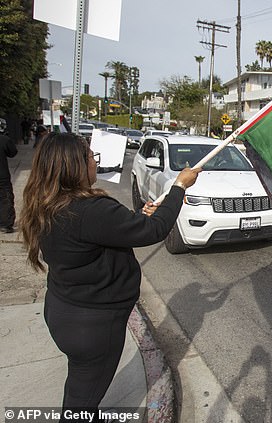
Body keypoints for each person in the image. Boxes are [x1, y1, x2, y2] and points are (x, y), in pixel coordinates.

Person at [19, 133, 201, 419]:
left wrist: (135, 217)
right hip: (93, 325)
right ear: (75, 166)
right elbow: (153, 231)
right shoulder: (91, 210)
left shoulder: (49, 202)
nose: (95, 161)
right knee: (83, 399)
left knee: (80, 386)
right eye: (92, 156)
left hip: (65, 310)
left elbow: (98, 234)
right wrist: (179, 186)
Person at [0, 117, 18, 233]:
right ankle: (5, 224)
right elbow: (13, 153)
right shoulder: (4, 140)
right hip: (2, 176)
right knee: (5, 198)